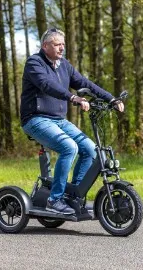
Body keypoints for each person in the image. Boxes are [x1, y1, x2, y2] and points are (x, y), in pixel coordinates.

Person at [20, 28, 124, 215]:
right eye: (57, 44)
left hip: (58, 120)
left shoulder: (64, 65)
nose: (62, 48)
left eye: (63, 44)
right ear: (45, 46)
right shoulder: (34, 63)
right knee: (69, 148)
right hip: (35, 119)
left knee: (91, 150)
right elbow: (46, 85)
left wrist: (111, 99)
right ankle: (54, 199)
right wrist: (72, 97)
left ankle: (72, 196)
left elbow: (85, 83)